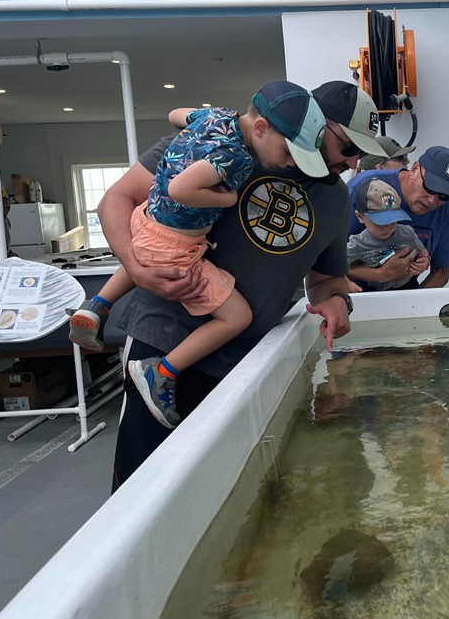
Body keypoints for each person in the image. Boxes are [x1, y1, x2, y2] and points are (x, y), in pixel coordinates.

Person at [98, 80, 387, 491]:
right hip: (163, 340)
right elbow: (117, 199)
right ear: (317, 127)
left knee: (225, 488)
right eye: (348, 148)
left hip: (246, 365)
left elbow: (325, 277)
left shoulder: (335, 199)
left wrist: (337, 300)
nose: (354, 163)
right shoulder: (210, 146)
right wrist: (135, 266)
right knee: (144, 483)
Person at [69, 79, 327, 429]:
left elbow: (176, 114)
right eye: (287, 153)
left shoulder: (215, 116)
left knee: (148, 252)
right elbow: (181, 188)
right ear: (262, 128)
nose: (287, 163)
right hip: (178, 245)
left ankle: (98, 305)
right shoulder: (236, 158)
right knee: (236, 316)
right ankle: (160, 371)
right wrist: (227, 198)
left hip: (147, 221)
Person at [345, 146, 449, 290]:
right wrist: (380, 274)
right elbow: (326, 265)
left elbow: (441, 271)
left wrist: (412, 305)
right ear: (414, 169)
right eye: (429, 187)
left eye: (443, 196)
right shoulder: (362, 190)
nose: (432, 201)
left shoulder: (446, 207)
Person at [346, 178, 427, 291]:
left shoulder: (407, 232)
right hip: (374, 289)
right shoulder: (357, 244)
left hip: (408, 284)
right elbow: (336, 266)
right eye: (380, 222)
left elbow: (422, 249)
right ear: (360, 217)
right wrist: (346, 284)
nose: (387, 228)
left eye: (392, 221)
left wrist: (424, 259)